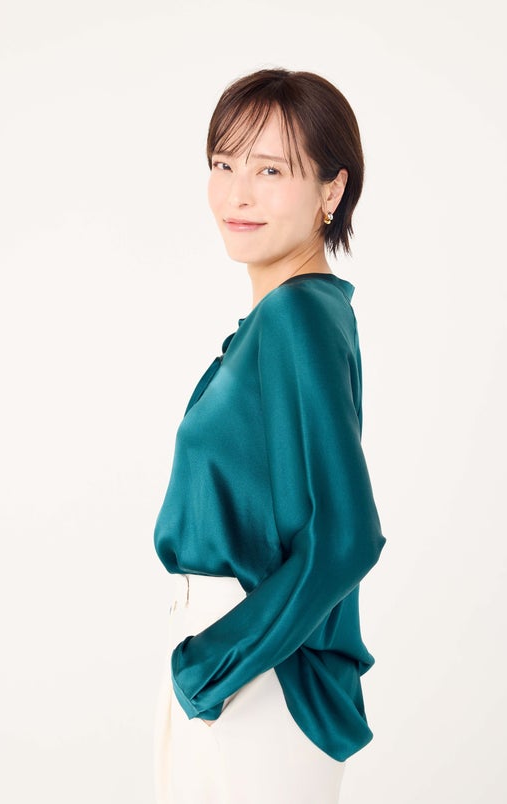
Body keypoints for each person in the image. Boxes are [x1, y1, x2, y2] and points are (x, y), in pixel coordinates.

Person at [153, 67, 386, 804]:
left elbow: (345, 535)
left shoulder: (296, 318)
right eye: (224, 165)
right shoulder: (287, 318)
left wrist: (212, 662)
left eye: (271, 170)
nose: (237, 194)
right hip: (241, 665)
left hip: (258, 676)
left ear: (331, 191)